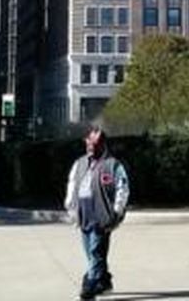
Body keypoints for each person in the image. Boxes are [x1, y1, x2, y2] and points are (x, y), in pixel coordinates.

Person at [64, 126, 130, 300]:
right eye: (88, 142)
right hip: (84, 215)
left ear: (102, 143)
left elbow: (122, 189)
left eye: (95, 142)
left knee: (95, 251)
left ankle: (90, 284)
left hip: (102, 216)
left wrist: (117, 211)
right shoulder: (79, 163)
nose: (91, 145)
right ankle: (104, 280)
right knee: (91, 252)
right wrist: (70, 207)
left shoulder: (113, 165)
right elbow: (72, 185)